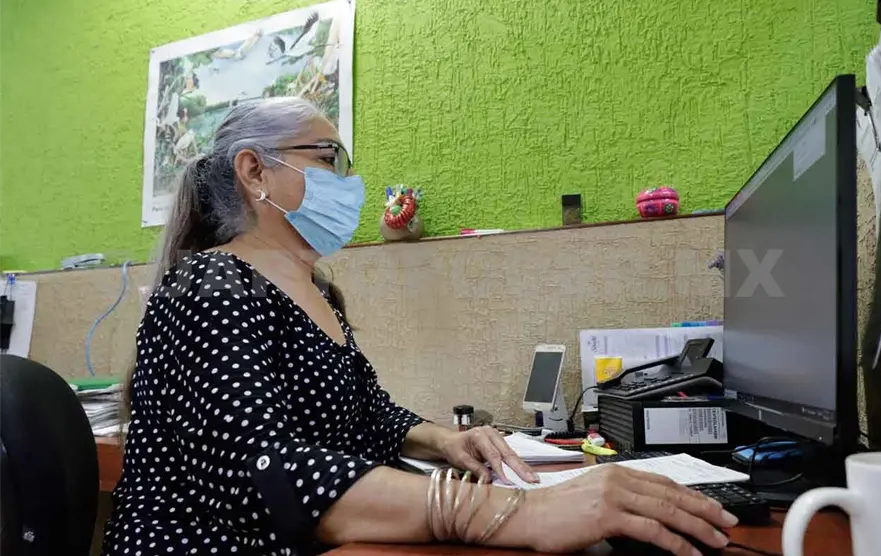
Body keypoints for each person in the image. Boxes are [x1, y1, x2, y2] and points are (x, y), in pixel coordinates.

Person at [102, 97, 737, 556]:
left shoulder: (317, 291)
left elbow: (366, 415)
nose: (349, 182)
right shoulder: (210, 286)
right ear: (254, 172)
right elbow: (262, 470)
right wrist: (521, 512)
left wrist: (446, 441)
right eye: (329, 158)